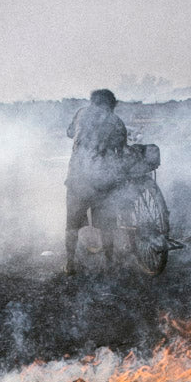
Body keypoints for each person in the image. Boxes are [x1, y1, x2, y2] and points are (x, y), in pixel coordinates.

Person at [64, 89, 127, 275]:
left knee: (72, 225)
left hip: (77, 179)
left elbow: (69, 132)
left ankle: (70, 264)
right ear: (112, 103)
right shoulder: (116, 121)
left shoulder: (81, 113)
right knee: (107, 225)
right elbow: (122, 149)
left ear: (93, 101)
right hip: (103, 181)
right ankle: (108, 263)